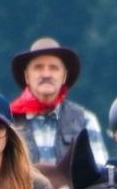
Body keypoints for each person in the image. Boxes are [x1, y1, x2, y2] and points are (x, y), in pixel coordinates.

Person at [8, 37, 108, 168]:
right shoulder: (7, 122)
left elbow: (98, 172)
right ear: (27, 76)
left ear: (64, 76)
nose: (46, 74)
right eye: (38, 68)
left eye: (54, 68)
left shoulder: (85, 121)